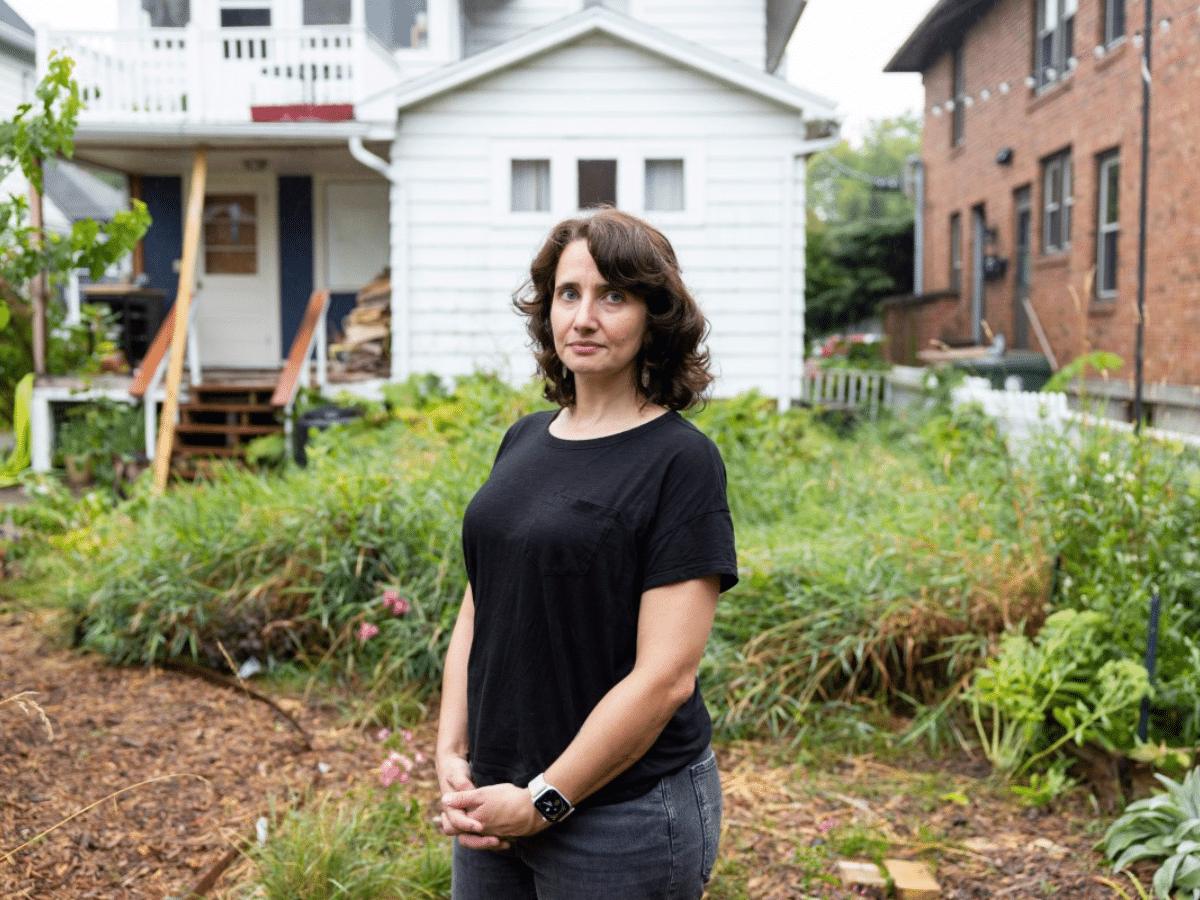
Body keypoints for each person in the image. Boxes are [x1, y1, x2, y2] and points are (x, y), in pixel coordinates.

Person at [436, 208, 739, 900]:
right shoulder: (523, 439)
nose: (584, 317)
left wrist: (545, 799)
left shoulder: (680, 461)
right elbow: (480, 606)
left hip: (622, 819)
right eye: (568, 294)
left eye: (614, 296)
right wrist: (452, 750)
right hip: (494, 798)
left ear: (654, 316)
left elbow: (666, 677)